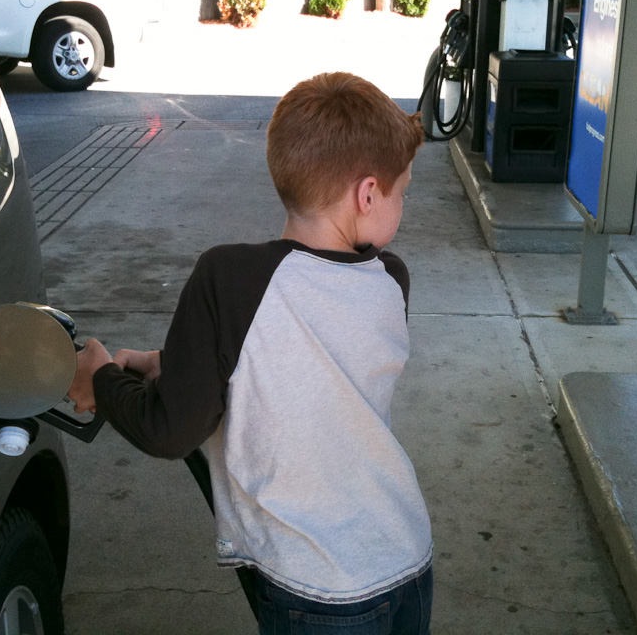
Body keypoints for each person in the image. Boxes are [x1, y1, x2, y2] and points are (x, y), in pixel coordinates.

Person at [68, 71, 433, 634]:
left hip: (319, 587)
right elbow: (303, 369)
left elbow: (169, 431)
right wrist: (172, 365)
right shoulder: (390, 280)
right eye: (402, 191)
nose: (401, 204)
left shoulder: (229, 279)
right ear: (366, 195)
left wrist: (100, 378)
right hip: (405, 558)